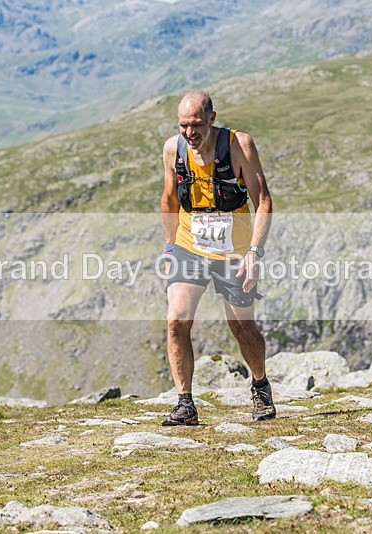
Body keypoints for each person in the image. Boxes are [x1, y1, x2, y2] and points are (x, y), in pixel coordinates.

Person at [159, 90, 274, 426]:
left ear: (211, 118)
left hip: (234, 250)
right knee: (176, 320)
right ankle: (185, 404)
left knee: (242, 327)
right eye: (183, 126)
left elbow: (263, 200)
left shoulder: (239, 145)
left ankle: (260, 385)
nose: (189, 133)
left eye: (196, 125)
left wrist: (255, 252)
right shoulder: (173, 149)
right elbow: (168, 201)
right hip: (188, 245)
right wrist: (169, 248)